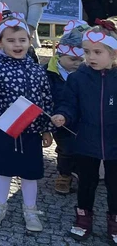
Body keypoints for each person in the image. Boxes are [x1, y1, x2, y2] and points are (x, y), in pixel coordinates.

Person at [0, 16, 54, 232]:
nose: (17, 45)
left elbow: (46, 99)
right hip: (6, 129)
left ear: (29, 41)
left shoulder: (37, 69)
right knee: (3, 170)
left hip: (31, 131)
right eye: (11, 40)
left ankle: (30, 209)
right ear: (1, 43)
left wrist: (47, 129)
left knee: (30, 173)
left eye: (22, 40)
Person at [52, 21, 117, 240]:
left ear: (114, 53)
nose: (90, 57)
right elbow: (68, 104)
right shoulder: (78, 78)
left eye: (97, 52)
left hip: (115, 142)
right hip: (86, 141)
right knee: (87, 183)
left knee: (115, 185)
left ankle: (114, 222)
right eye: (87, 52)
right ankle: (83, 218)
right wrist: (63, 115)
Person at [46, 21, 86, 195]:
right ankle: (64, 175)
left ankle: (79, 171)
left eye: (81, 60)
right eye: (73, 59)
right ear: (60, 55)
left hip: (83, 119)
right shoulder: (48, 73)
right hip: (59, 119)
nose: (77, 63)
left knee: (82, 148)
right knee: (66, 148)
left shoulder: (86, 74)